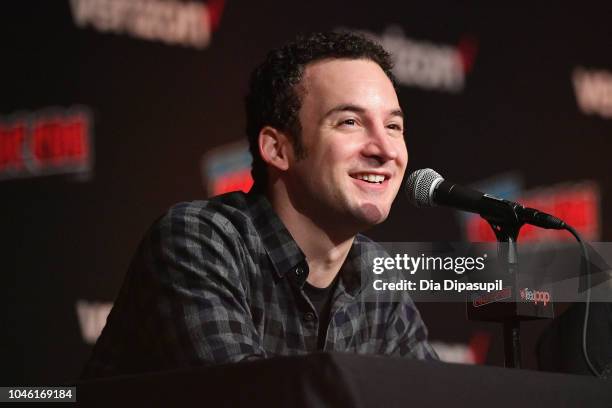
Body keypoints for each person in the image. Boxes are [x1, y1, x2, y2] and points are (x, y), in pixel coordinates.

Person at [82, 31, 437, 378]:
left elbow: (436, 395)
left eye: (393, 126)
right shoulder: (200, 242)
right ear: (277, 149)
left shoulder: (375, 272)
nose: (385, 149)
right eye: (350, 122)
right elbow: (246, 398)